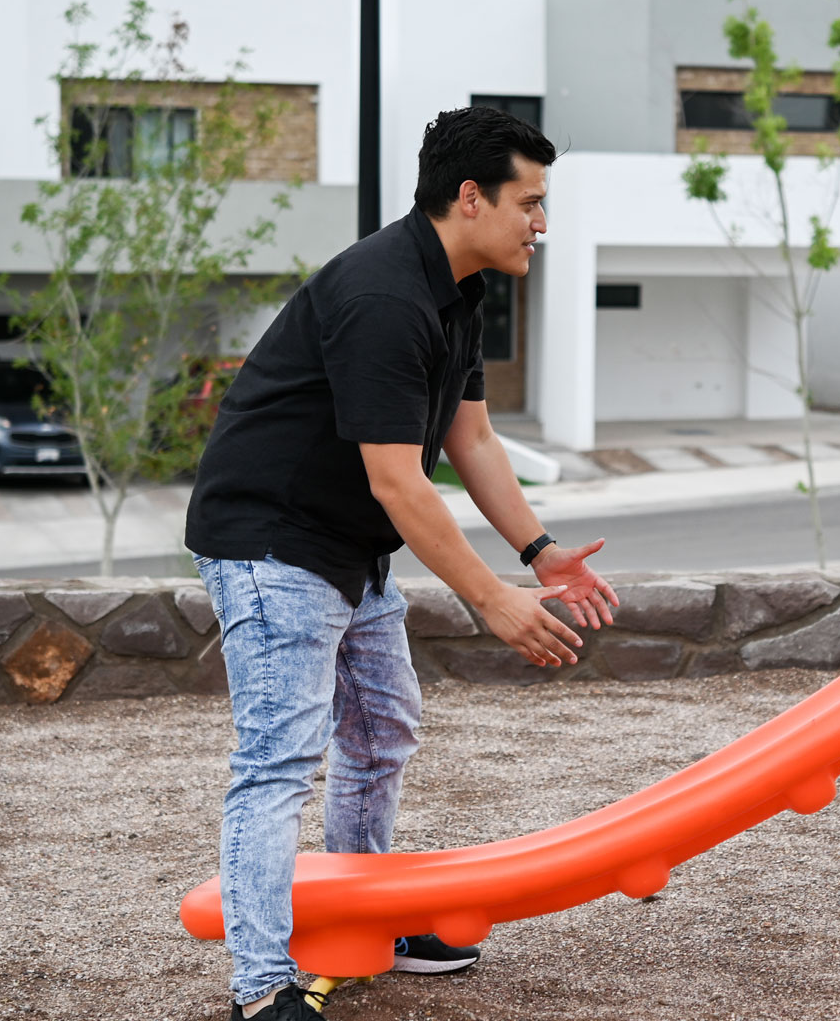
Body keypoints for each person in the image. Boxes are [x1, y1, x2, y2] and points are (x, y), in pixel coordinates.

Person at [185, 107, 620, 1021]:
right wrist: (491, 600)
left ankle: (367, 916)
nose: (542, 223)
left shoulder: (460, 290)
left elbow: (471, 436)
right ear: (471, 198)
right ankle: (261, 988)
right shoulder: (384, 295)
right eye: (530, 202)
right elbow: (398, 481)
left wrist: (538, 555)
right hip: (273, 541)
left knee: (383, 732)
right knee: (279, 759)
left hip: (349, 546)